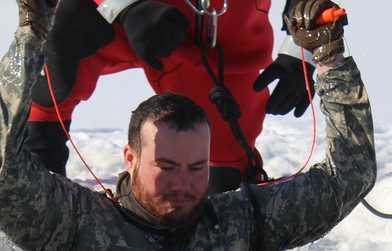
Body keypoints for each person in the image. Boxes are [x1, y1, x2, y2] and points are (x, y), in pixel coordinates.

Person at [0, 0, 375, 251]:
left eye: (196, 167)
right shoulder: (74, 226)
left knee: (232, 165)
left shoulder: (239, 226)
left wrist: (326, 59)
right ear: (129, 158)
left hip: (223, 29)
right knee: (66, 34)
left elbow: (349, 177)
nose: (183, 185)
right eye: (165, 167)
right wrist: (31, 36)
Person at [26, 0, 315, 194]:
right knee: (58, 58)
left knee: (225, 174)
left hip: (223, 44)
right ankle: (33, 183)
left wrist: (303, 49)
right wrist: (128, 6)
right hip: (117, 19)